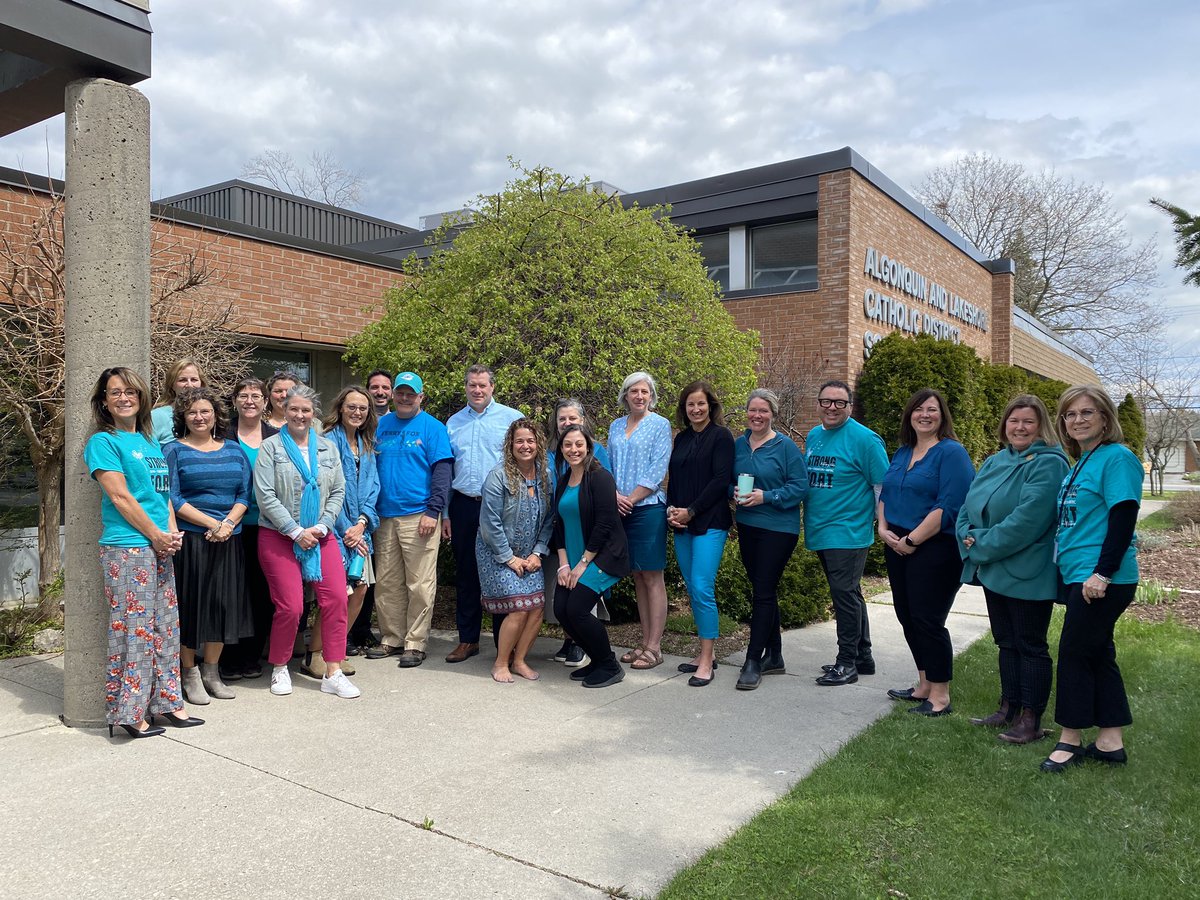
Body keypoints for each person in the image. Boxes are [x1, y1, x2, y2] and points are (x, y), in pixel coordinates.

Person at [84, 366, 201, 738]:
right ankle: (129, 713)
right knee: (133, 631)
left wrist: (171, 533)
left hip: (159, 545)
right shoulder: (103, 442)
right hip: (128, 548)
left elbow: (162, 496)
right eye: (115, 392)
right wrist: (154, 534)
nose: (123, 398)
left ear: (141, 398)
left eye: (130, 392)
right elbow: (120, 497)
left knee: (165, 628)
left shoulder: (150, 442)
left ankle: (167, 703)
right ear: (104, 401)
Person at [1040, 385, 1141, 773]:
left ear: (1105, 418)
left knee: (1074, 653)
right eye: (1070, 414)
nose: (1078, 420)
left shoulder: (1117, 458)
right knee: (1098, 652)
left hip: (1101, 577)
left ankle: (1069, 738)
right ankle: (1111, 742)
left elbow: (1123, 518)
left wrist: (1102, 573)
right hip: (1079, 574)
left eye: (1087, 412)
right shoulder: (1083, 461)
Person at [957, 395, 1068, 743]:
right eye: (1014, 420)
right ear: (1004, 424)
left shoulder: (1050, 464)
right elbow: (967, 505)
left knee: (1029, 644)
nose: (1020, 427)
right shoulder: (995, 460)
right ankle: (1008, 708)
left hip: (1027, 569)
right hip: (994, 567)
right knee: (1005, 641)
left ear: (1041, 426)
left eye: (1028, 422)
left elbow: (1028, 520)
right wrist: (966, 533)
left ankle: (1030, 719)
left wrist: (980, 545)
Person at [254, 385, 361, 699]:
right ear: (284, 410)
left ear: (314, 414)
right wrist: (295, 531)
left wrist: (322, 526)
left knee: (337, 600)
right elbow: (265, 495)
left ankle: (333, 671)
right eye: (294, 409)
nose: (299, 415)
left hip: (320, 535)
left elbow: (338, 491)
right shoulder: (270, 448)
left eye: (306, 410)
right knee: (291, 607)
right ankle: (280, 667)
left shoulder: (327, 448)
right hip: (279, 535)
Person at [878, 389, 975, 717]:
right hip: (897, 543)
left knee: (928, 618)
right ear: (909, 415)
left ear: (942, 415)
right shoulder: (903, 451)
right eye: (918, 409)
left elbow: (949, 505)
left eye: (931, 410)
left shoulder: (952, 453)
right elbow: (886, 492)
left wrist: (913, 540)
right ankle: (923, 684)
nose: (924, 415)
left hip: (936, 547)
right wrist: (882, 528)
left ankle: (940, 696)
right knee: (907, 614)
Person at [163, 386, 253, 704]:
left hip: (229, 538)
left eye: (205, 411)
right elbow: (172, 498)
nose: (199, 417)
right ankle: (189, 673)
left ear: (216, 415)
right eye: (192, 412)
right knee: (191, 608)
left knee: (222, 607)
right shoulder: (173, 451)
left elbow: (245, 494)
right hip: (192, 541)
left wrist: (227, 524)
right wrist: (211, 524)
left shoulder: (234, 450)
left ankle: (212, 672)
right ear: (182, 417)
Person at [804, 381, 890, 687]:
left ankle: (846, 663)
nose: (832, 408)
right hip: (821, 529)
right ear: (818, 403)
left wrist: (881, 524)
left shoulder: (866, 440)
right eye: (826, 401)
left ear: (850, 407)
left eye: (839, 403)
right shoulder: (814, 436)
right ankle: (862, 657)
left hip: (848, 531)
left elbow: (882, 486)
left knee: (844, 595)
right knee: (849, 594)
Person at [365, 372, 453, 668]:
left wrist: (433, 511)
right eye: (400, 392)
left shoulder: (433, 428)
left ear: (420, 397)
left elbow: (442, 473)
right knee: (387, 582)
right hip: (383, 516)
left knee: (420, 583)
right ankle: (391, 637)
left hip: (419, 515)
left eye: (410, 393)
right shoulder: (380, 425)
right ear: (393, 395)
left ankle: (415, 642)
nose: (404, 398)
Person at [443, 364, 524, 664]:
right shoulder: (453, 422)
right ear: (465, 387)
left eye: (482, 385)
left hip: (501, 506)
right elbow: (447, 470)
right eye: (472, 385)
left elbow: (524, 459)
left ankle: (506, 643)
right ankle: (468, 640)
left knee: (503, 572)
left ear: (492, 387)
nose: (477, 390)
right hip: (464, 505)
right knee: (467, 574)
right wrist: (446, 514)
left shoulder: (511, 418)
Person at [731, 388, 809, 691]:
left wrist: (768, 496)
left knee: (763, 591)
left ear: (773, 414)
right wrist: (731, 492)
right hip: (747, 525)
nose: (757, 416)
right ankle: (774, 656)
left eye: (763, 411)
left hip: (778, 528)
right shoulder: (739, 445)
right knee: (763, 589)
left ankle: (752, 661)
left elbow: (800, 487)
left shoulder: (785, 447)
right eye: (753, 410)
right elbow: (726, 480)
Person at [305, 386, 380, 678]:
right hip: (334, 530)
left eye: (362, 408)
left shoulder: (367, 444)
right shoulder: (326, 442)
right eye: (352, 406)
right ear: (340, 408)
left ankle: (333, 651)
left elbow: (373, 488)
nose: (357, 412)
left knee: (359, 590)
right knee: (336, 595)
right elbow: (325, 490)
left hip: (360, 530)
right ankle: (314, 654)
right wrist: (347, 528)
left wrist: (361, 524)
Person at [477, 419, 556, 683]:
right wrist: (510, 558)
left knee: (537, 608)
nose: (525, 446)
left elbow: (549, 519)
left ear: (538, 444)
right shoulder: (498, 476)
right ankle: (500, 663)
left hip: (530, 555)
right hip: (497, 554)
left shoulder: (545, 477)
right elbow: (490, 524)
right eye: (519, 441)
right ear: (510, 445)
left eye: (530, 441)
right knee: (519, 607)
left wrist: (537, 553)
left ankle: (520, 660)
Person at [666, 381, 734, 687]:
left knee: (702, 587)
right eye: (690, 404)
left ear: (711, 406)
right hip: (682, 523)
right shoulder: (681, 438)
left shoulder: (721, 437)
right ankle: (705, 652)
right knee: (693, 588)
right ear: (684, 408)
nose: (696, 409)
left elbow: (720, 480)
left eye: (701, 404)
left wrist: (691, 511)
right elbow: (675, 479)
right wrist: (672, 510)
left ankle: (707, 660)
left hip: (710, 522)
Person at [552, 423, 630, 688]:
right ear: (561, 449)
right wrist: (564, 565)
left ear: (588, 447)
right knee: (561, 610)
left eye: (579, 444)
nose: (573, 449)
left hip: (603, 556)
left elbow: (604, 524)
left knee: (577, 609)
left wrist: (584, 563)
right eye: (567, 445)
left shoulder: (600, 477)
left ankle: (609, 665)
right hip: (573, 559)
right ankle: (596, 660)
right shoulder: (563, 481)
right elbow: (558, 525)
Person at [607, 371, 671, 671]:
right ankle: (645, 642)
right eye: (634, 391)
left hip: (647, 509)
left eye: (645, 391)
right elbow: (609, 465)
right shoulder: (615, 426)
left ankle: (655, 647)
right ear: (625, 395)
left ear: (651, 396)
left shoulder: (660, 425)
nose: (640, 396)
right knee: (637, 576)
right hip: (620, 508)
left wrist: (630, 499)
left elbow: (658, 469)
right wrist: (615, 496)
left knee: (652, 576)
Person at [218, 377, 278, 682]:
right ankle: (229, 657)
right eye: (243, 395)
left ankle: (252, 655)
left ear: (266, 402)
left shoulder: (277, 437)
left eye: (256, 395)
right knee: (231, 592)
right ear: (234, 401)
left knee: (262, 593)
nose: (250, 400)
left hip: (269, 526)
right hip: (230, 526)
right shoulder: (221, 434)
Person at [545, 398, 611, 668]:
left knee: (580, 598)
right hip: (562, 529)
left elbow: (604, 505)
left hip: (589, 536)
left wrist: (586, 558)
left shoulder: (597, 455)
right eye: (562, 419)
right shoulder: (550, 454)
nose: (567, 423)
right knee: (563, 596)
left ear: (582, 421)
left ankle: (587, 649)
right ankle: (571, 639)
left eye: (572, 418)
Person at [349, 369, 394, 653]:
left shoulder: (395, 421)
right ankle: (345, 633)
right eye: (374, 387)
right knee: (352, 574)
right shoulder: (356, 425)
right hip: (354, 515)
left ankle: (363, 630)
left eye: (385, 387)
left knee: (371, 575)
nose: (380, 392)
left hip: (382, 511)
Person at [151, 358, 205, 445]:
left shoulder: (211, 416)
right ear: (172, 385)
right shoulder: (157, 416)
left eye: (194, 380)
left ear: (201, 384)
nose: (189, 385)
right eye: (182, 380)